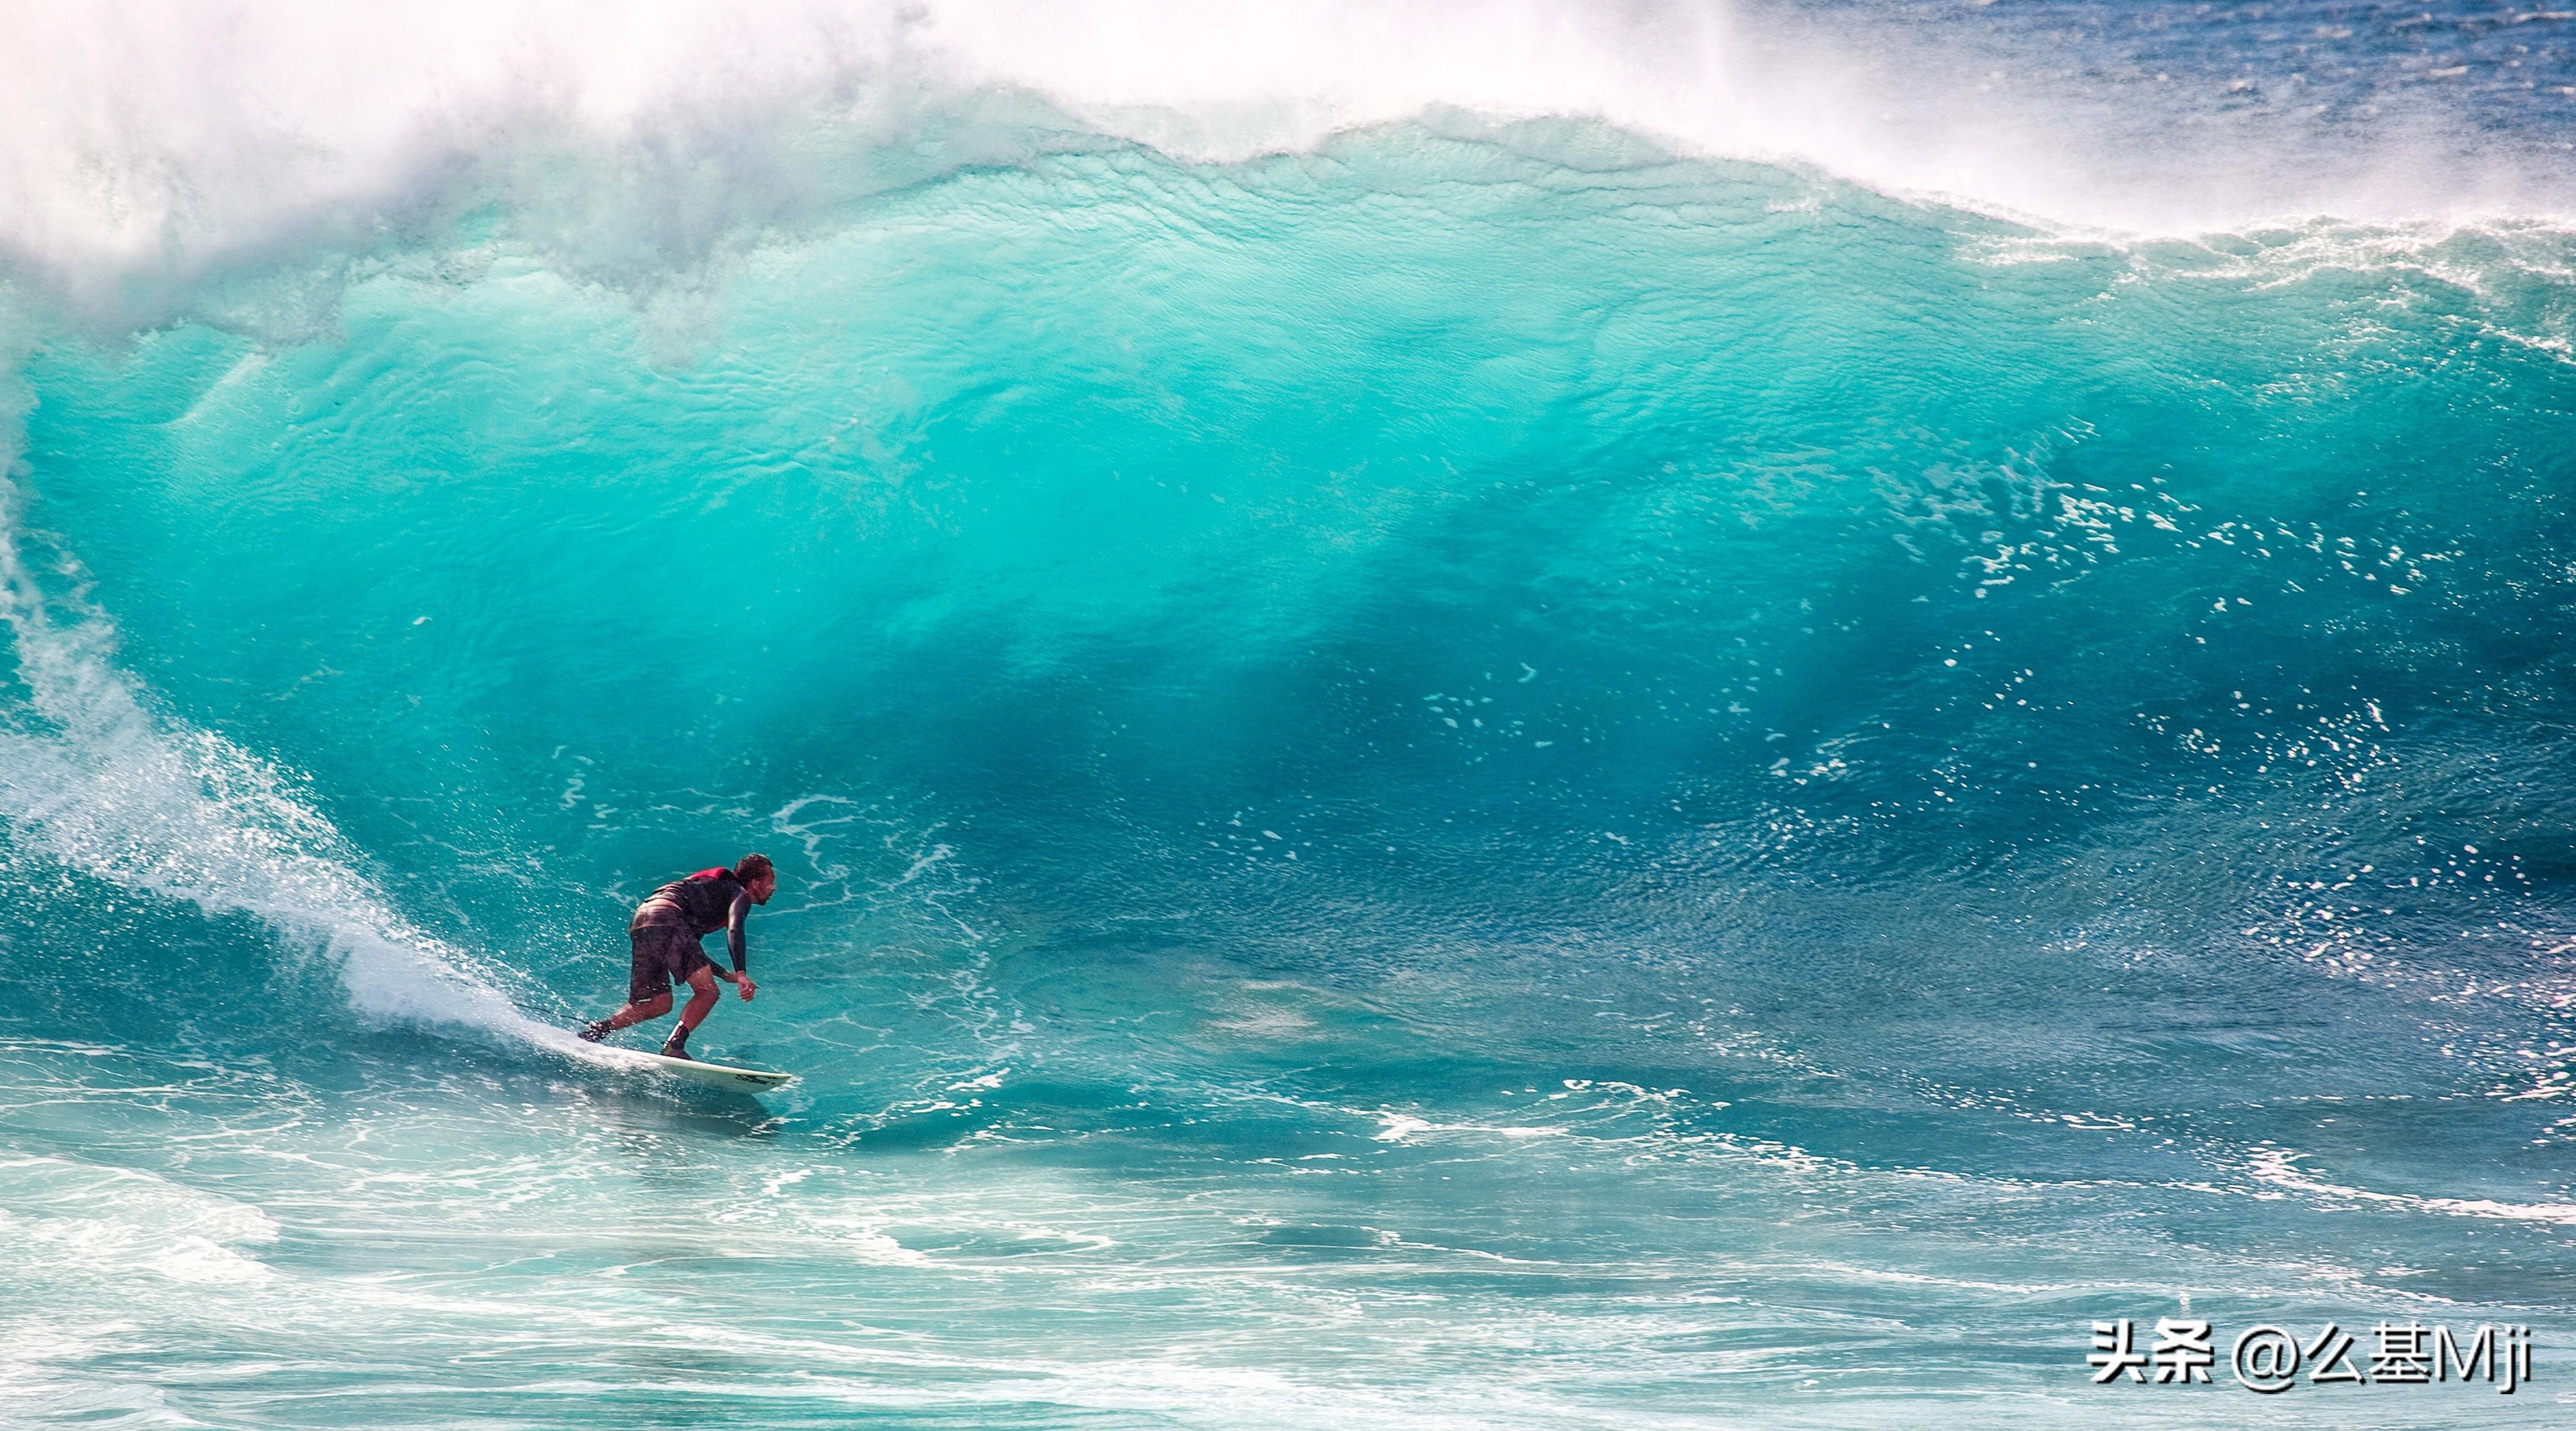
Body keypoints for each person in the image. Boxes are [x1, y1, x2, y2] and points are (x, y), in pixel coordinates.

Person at [579, 853, 774, 1060]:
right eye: (771, 882)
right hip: (668, 917)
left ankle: (596, 1031)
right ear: (755, 883)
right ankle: (675, 1045)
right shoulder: (740, 893)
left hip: (644, 918)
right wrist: (742, 974)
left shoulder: (711, 894)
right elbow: (734, 929)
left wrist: (725, 974)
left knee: (659, 1003)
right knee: (708, 992)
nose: (774, 889)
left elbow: (689, 948)